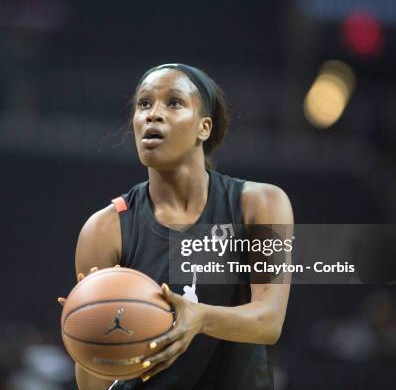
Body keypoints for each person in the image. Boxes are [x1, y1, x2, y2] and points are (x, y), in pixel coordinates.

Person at [58, 63, 293, 389]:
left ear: (204, 128)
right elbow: (94, 384)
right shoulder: (104, 228)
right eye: (144, 104)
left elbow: (269, 321)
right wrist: (88, 334)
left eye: (174, 102)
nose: (152, 114)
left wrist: (198, 317)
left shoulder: (260, 204)